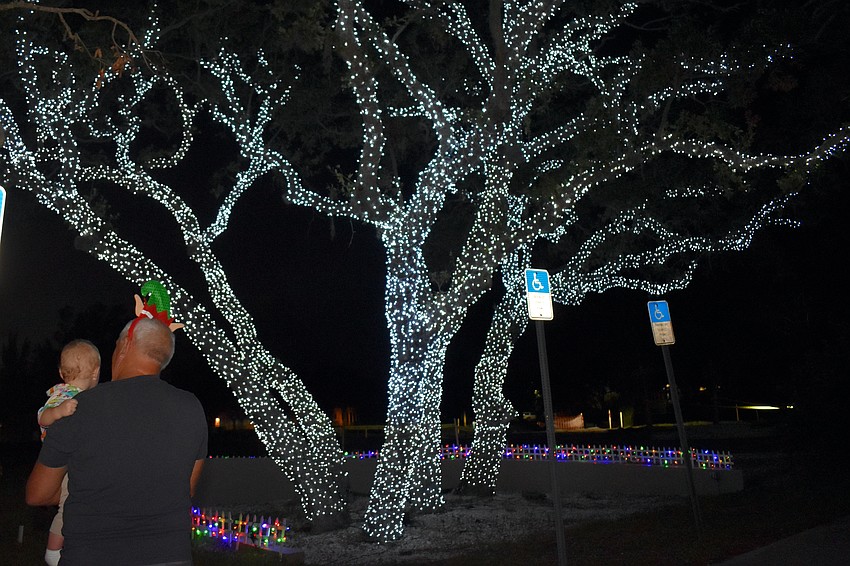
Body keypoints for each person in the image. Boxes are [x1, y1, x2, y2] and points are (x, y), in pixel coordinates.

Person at [26, 316, 208, 566]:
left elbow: (38, 494)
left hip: (91, 555)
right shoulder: (192, 408)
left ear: (125, 346)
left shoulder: (76, 408)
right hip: (168, 556)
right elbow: (186, 489)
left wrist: (89, 493)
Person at [37, 339, 101, 566]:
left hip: (79, 461)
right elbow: (42, 417)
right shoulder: (63, 395)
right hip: (63, 463)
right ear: (95, 372)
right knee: (68, 504)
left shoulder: (87, 398)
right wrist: (58, 412)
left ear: (61, 372)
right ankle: (53, 552)